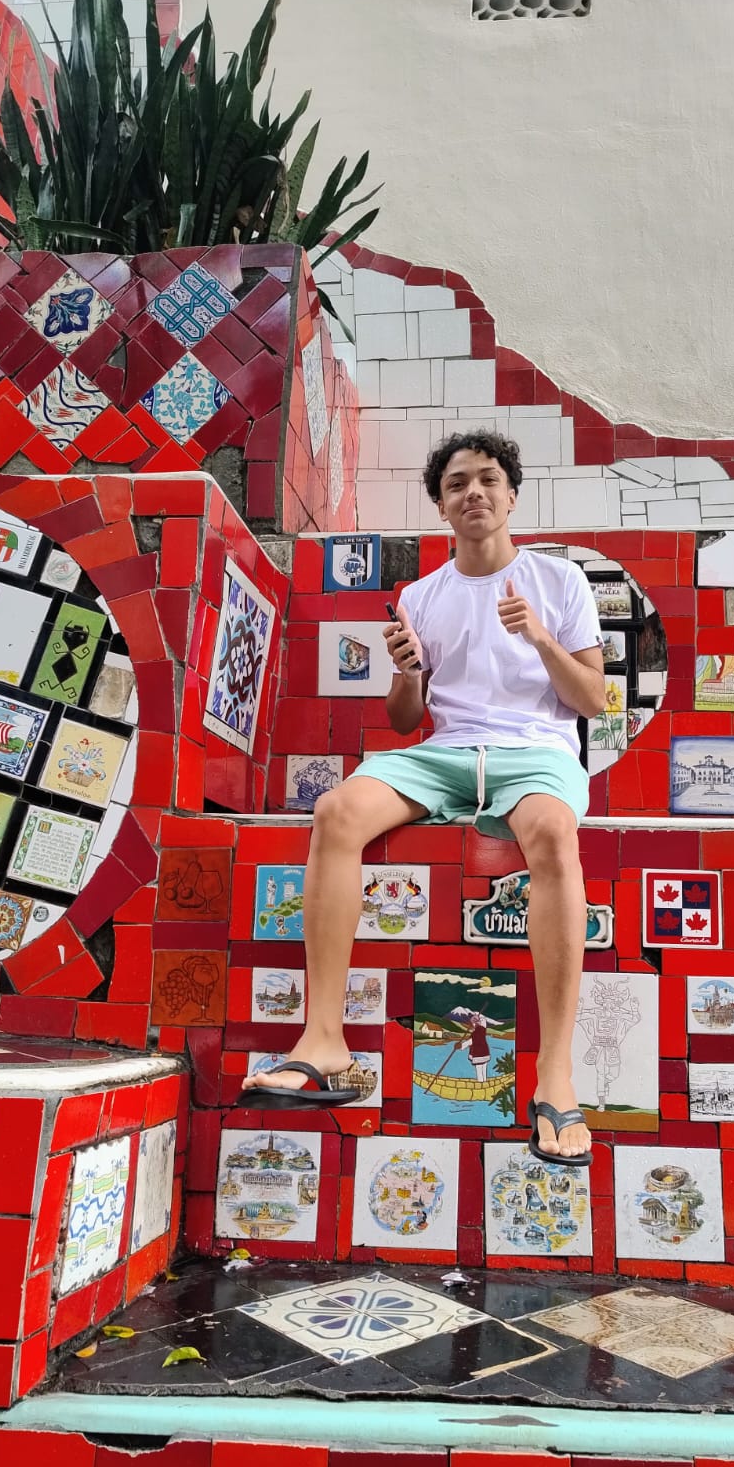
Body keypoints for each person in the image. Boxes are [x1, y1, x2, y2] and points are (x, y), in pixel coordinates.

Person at [242, 430, 606, 1162]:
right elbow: (407, 721)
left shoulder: (559, 581)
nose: (474, 492)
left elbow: (593, 701)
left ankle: (555, 1075)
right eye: (457, 484)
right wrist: (408, 672)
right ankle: (324, 1041)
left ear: (512, 496)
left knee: (552, 833)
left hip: (535, 753)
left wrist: (540, 639)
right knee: (337, 811)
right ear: (441, 507)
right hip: (446, 754)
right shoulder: (420, 596)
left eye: (489, 479)